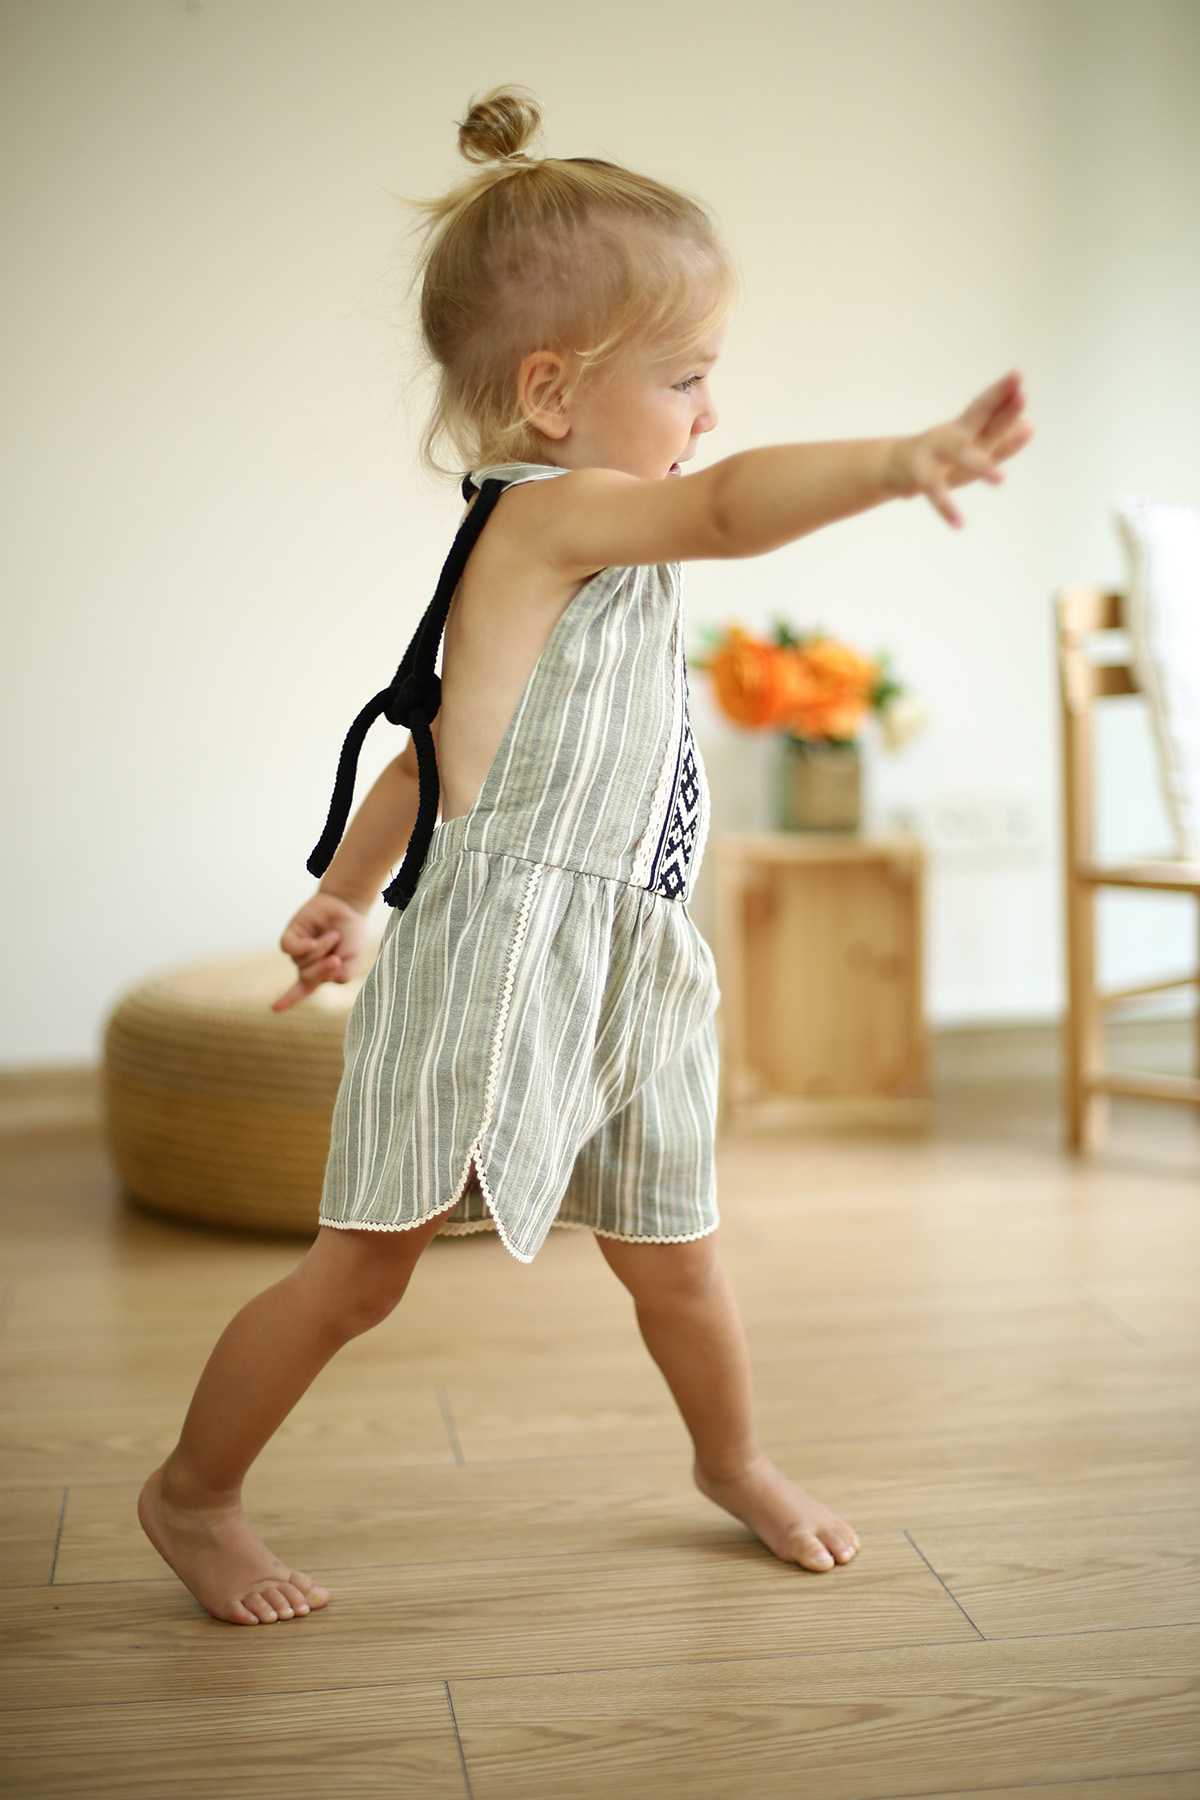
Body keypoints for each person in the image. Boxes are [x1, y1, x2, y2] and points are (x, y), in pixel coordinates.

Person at [138, 88, 1031, 1625]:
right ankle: (191, 1492)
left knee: (678, 1252)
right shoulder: (553, 519)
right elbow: (732, 510)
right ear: (551, 394)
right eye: (687, 379)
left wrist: (342, 894)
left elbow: (429, 753)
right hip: (498, 954)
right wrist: (901, 459)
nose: (709, 416)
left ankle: (732, 1458)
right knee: (362, 1269)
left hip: (632, 955)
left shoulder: (587, 550)